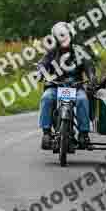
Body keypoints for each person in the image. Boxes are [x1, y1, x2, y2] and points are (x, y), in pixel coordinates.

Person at [36, 22, 97, 150]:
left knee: (83, 99)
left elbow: (89, 66)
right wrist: (41, 73)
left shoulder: (79, 51)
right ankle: (46, 133)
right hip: (55, 86)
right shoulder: (52, 52)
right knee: (46, 98)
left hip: (76, 86)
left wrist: (92, 77)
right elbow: (42, 64)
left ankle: (83, 134)